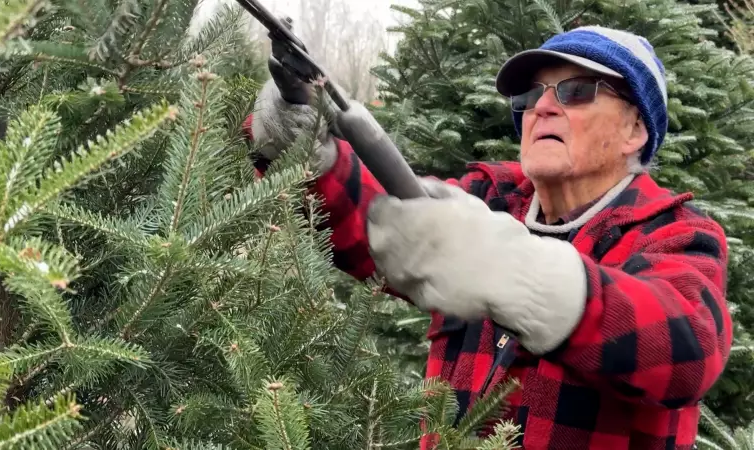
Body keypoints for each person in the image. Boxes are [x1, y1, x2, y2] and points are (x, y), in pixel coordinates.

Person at [243, 24, 733, 450]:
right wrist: (308, 154)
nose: (542, 107)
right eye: (531, 96)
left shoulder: (674, 233)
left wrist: (516, 274)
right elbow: (380, 225)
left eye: (576, 91)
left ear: (635, 130)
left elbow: (687, 350)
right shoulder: (489, 199)